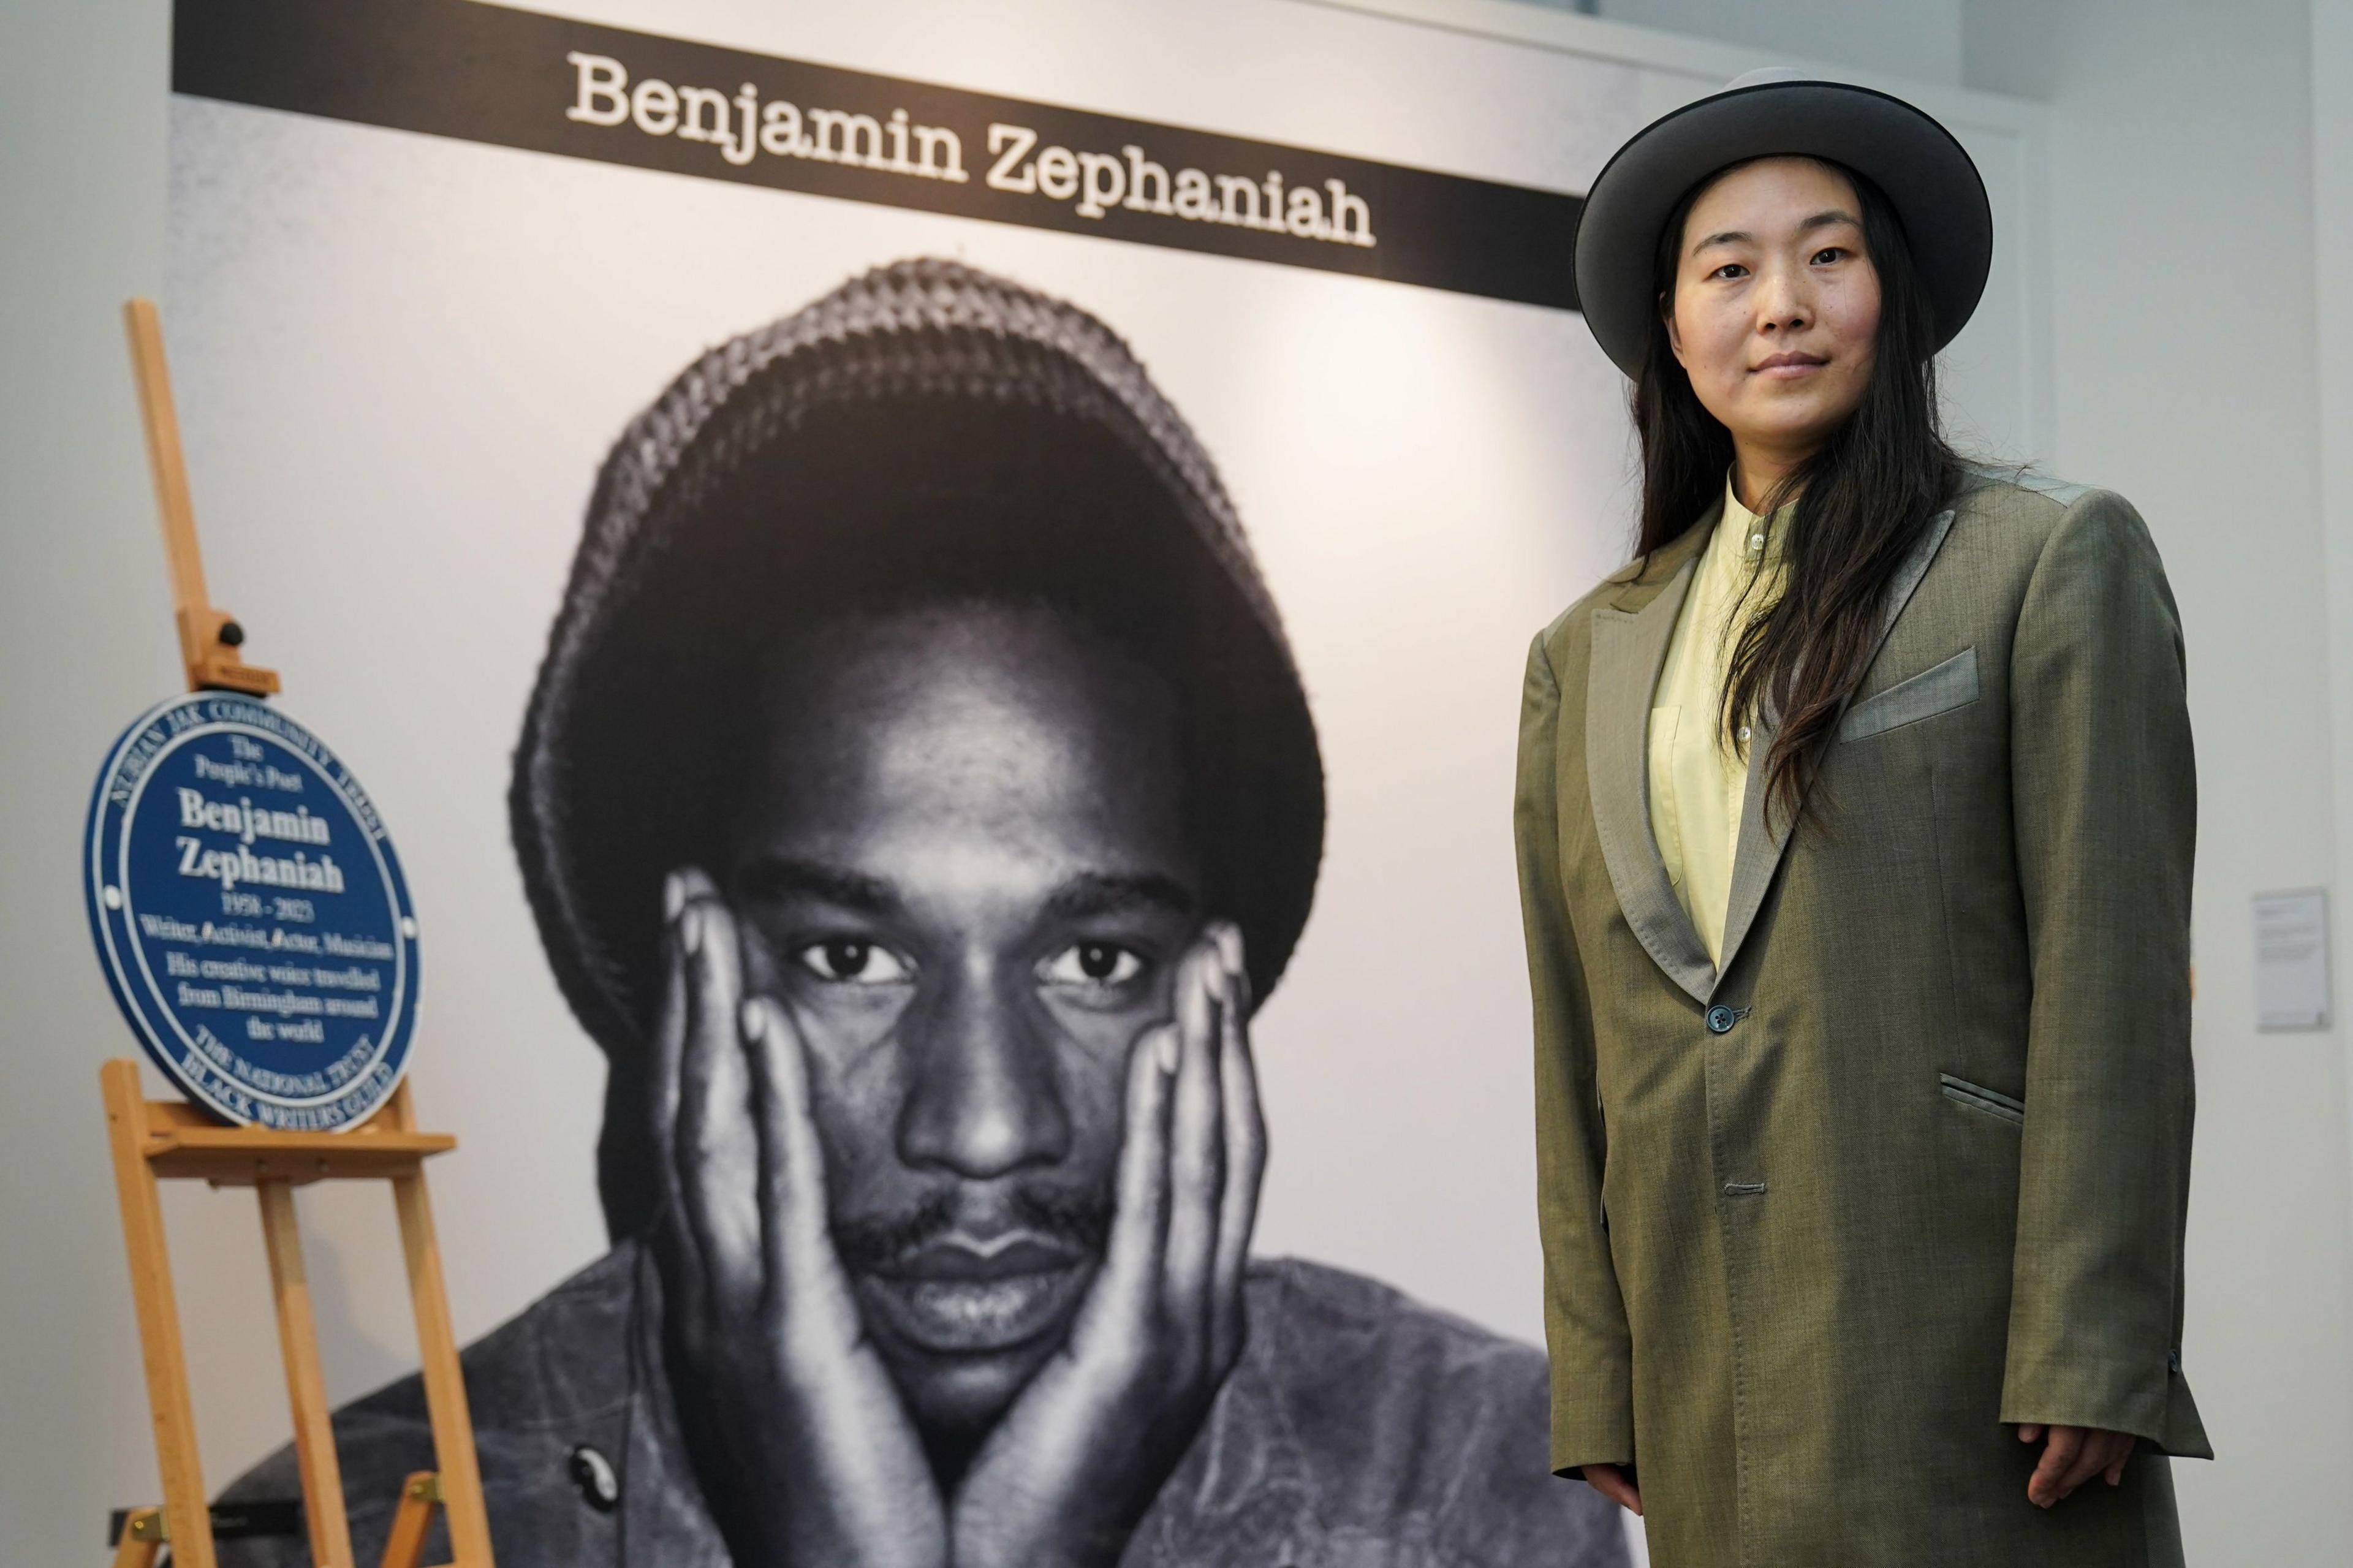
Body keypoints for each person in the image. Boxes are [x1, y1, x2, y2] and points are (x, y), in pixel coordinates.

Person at [219, 259, 1628, 1568]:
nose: (984, 1126)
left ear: (1214, 980)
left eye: (1093, 957)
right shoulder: (380, 1527)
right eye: (853, 955)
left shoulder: (1462, 1472)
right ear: (682, 969)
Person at [1515, 70, 2209, 1567]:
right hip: (1708, 1360)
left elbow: (2116, 979)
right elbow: (1574, 1031)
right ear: (1672, 324)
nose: (1782, 304)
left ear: (1893, 294)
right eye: (1730, 269)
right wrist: (1600, 1366)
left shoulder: (2044, 560)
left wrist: (2095, 1339)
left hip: (1970, 1360)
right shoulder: (1586, 652)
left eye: (1829, 255)